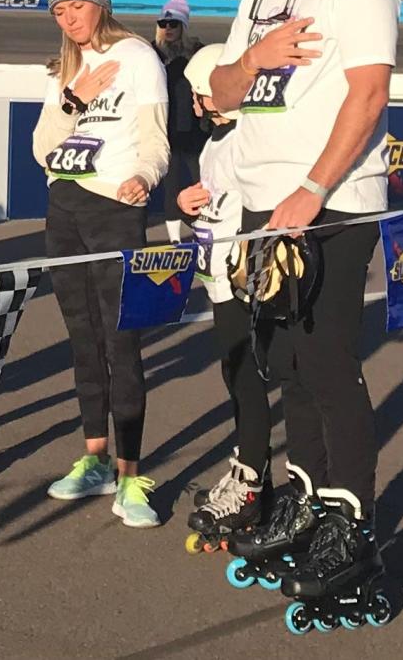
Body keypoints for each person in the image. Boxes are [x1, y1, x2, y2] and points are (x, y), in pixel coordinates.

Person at [208, 0, 397, 623]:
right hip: (262, 205)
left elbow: (371, 90)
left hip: (331, 203)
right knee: (281, 362)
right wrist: (255, 55)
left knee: (325, 361)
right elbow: (219, 90)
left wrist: (314, 188)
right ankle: (312, 500)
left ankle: (351, 521)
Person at [31, 0, 170, 528]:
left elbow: (156, 142)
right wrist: (74, 98)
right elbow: (42, 149)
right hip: (64, 205)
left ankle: (131, 474)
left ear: (100, 3)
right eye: (60, 8)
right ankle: (93, 459)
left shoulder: (138, 57)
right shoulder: (66, 68)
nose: (69, 16)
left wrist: (143, 177)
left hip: (115, 208)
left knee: (122, 342)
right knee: (82, 337)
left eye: (78, 4)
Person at [174, 43, 273, 551]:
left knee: (248, 379)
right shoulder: (216, 143)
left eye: (199, 96)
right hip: (217, 277)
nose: (195, 106)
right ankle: (252, 474)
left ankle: (252, 482)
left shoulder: (247, 140)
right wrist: (189, 209)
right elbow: (218, 209)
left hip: (243, 281)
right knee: (235, 377)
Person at [154, 0, 206, 243]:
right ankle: (174, 240)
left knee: (203, 183)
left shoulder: (197, 51)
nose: (167, 28)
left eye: (173, 23)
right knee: (171, 188)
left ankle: (205, 232)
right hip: (168, 131)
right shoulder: (152, 53)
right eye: (163, 23)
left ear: (183, 25)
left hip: (196, 132)